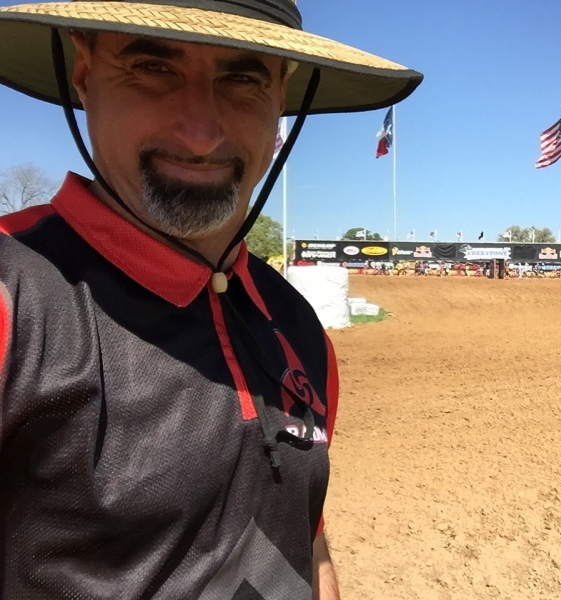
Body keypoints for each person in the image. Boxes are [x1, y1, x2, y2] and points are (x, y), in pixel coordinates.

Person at [0, 1, 422, 598]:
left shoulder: (299, 328)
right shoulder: (11, 297)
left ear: (280, 98)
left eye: (243, 78)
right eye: (152, 67)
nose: (201, 133)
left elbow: (306, 539)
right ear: (85, 75)